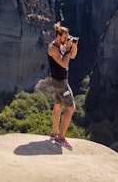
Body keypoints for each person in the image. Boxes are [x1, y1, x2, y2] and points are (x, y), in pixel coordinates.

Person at [37, 21, 78, 149]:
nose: (66, 40)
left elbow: (72, 56)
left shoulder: (62, 45)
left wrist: (73, 46)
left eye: (68, 38)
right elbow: (64, 64)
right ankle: (61, 137)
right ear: (58, 36)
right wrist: (66, 49)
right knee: (71, 108)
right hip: (60, 83)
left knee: (58, 107)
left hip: (57, 81)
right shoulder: (52, 48)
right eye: (65, 38)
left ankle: (54, 133)